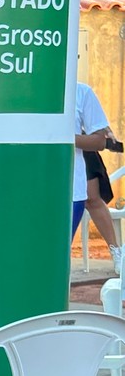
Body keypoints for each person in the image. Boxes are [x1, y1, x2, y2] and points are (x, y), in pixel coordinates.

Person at [73, 80, 119, 267]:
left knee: (93, 198)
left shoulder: (82, 92)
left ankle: (116, 250)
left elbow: (100, 137)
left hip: (81, 150)